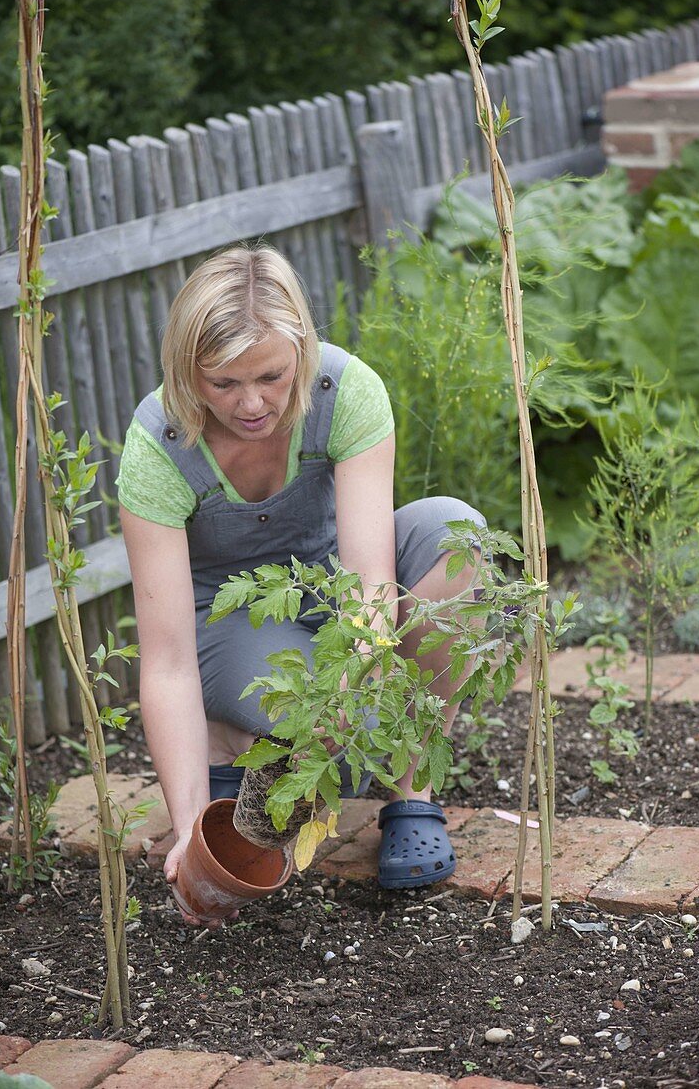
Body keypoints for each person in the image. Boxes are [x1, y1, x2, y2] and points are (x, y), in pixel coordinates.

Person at [118, 244, 486, 929]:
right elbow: (166, 661)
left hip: (335, 581)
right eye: (223, 384)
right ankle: (229, 741)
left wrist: (352, 691)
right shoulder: (158, 444)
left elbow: (370, 582)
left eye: (271, 376)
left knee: (459, 535)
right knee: (318, 720)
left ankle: (412, 796)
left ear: (303, 351)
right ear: (187, 372)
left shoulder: (344, 391)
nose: (252, 403)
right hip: (234, 623)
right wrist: (191, 817)